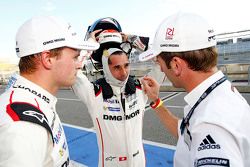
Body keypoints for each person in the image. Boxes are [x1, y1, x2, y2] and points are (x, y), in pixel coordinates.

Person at [139, 12, 250, 167]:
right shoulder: (215, 94)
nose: (162, 70)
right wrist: (156, 101)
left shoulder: (210, 123)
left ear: (176, 65)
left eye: (159, 63)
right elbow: (185, 135)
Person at [0, 16, 99, 167]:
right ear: (48, 59)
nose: (80, 65)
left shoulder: (35, 101)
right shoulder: (22, 127)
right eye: (75, 57)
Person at [72, 17, 150, 167]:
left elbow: (164, 58)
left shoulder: (140, 87)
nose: (123, 72)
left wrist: (131, 39)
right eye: (116, 67)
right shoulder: (93, 94)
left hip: (140, 162)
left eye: (126, 65)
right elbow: (73, 69)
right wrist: (90, 45)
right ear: (106, 68)